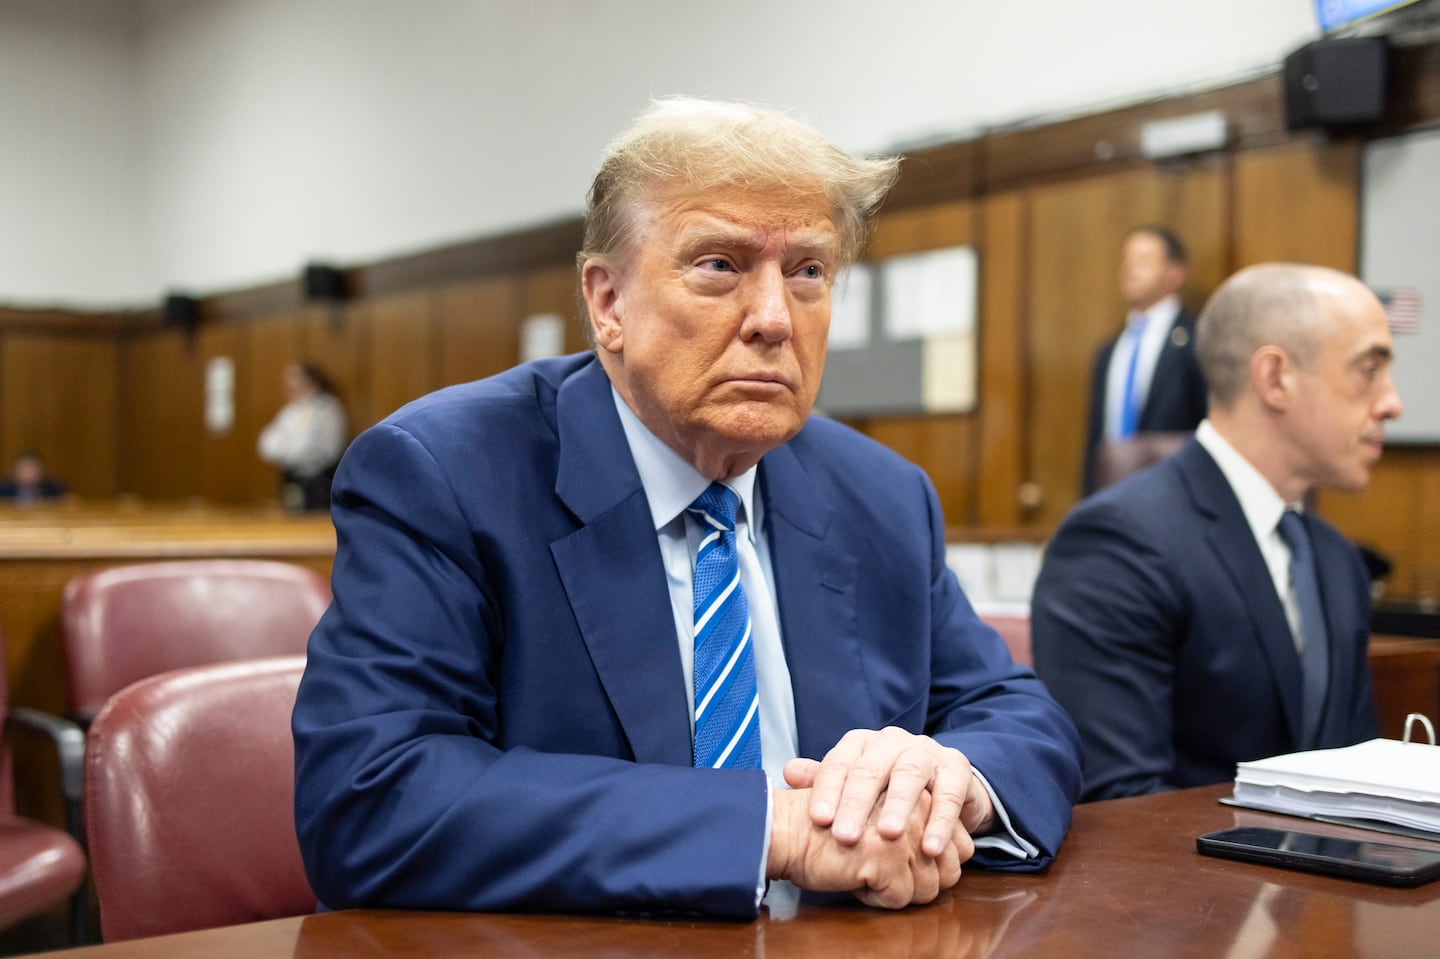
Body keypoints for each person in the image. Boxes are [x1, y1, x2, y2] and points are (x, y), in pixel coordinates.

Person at [292, 97, 1082, 919]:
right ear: (607, 304)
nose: (775, 319)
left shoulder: (877, 492)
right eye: (719, 265)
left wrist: (947, 784)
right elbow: (372, 798)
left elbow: (1016, 715)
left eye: (808, 271)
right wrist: (769, 826)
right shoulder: (445, 475)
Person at [1032, 263, 1403, 803]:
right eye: (1368, 369)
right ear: (1275, 378)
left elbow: (1355, 776)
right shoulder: (1117, 545)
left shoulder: (1335, 561)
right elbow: (1124, 805)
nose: (1392, 402)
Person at [1081, 226, 1208, 494]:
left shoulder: (1196, 341)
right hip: (1110, 496)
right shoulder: (1110, 350)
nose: (1130, 269)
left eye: (1144, 261)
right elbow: (1095, 439)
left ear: (1175, 273)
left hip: (1173, 496)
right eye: (1126, 261)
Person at [257, 362, 347, 511]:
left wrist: (286, 448)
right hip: (291, 478)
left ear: (310, 381)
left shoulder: (326, 409)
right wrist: (286, 449)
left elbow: (306, 449)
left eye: (294, 378)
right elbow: (267, 445)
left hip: (318, 482)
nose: (289, 385)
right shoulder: (290, 411)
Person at [0, 450, 67, 504]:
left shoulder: (54, 488)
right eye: (24, 469)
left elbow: (68, 502)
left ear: (41, 471)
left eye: (33, 469)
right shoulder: (3, 488)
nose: (29, 474)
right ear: (15, 470)